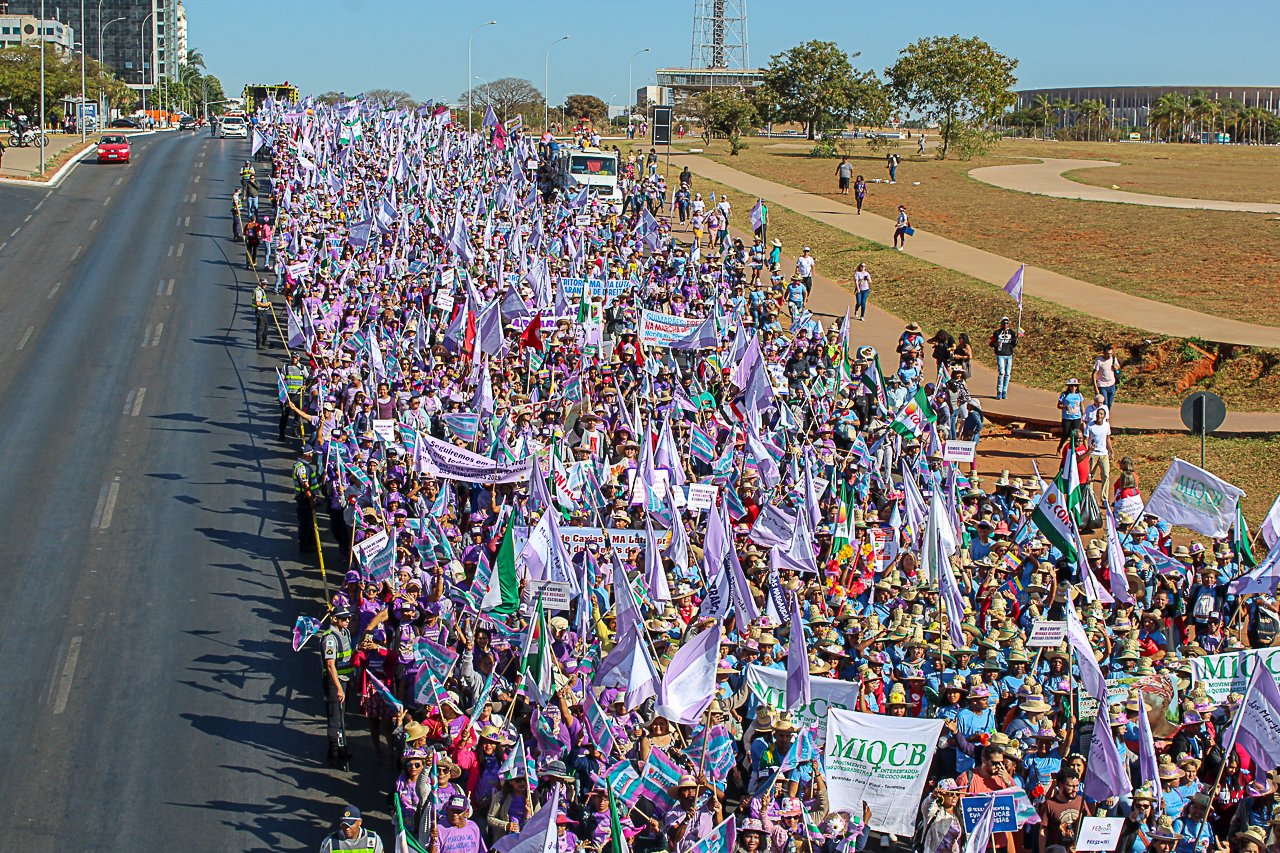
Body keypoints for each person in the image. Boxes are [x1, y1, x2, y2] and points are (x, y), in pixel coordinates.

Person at [321, 608, 355, 770]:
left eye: (348, 618)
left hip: (346, 679)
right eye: (343, 619)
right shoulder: (330, 638)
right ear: (334, 619)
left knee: (342, 716)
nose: (347, 621)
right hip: (336, 682)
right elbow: (330, 665)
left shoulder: (345, 632)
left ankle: (342, 747)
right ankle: (333, 751)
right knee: (336, 718)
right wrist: (338, 688)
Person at [319, 806, 384, 853]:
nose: (347, 828)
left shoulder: (373, 840)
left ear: (360, 822)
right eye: (344, 825)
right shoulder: (330, 842)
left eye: (350, 824)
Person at [1085, 407, 1114, 496]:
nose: (1099, 415)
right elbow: (1086, 439)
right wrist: (1088, 452)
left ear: (1104, 416)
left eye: (1101, 414)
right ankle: (1090, 496)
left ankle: (1104, 497)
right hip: (1093, 454)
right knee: (1090, 475)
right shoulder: (1090, 425)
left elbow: (1107, 438)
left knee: (1106, 475)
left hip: (1103, 454)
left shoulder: (1106, 425)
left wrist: (1111, 451)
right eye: (1098, 413)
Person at [989, 317, 1017, 399]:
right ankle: (999, 391)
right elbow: (991, 343)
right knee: (1001, 372)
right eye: (1004, 323)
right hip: (1000, 354)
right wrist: (995, 344)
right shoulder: (997, 333)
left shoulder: (1011, 332)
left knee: (1007, 373)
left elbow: (1014, 344)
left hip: (1009, 354)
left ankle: (1004, 391)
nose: (1005, 325)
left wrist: (1016, 340)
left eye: (1007, 323)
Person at [1057, 378, 1085, 453]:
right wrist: (1064, 407)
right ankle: (1060, 446)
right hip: (1067, 417)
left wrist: (1084, 416)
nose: (1073, 387)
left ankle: (1073, 449)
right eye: (1072, 386)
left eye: (1075, 386)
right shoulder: (1064, 395)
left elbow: (1081, 406)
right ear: (1069, 386)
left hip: (1077, 417)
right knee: (1066, 434)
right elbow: (1058, 405)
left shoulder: (1079, 395)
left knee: (1075, 434)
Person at [1094, 344, 1120, 410]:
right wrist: (1095, 386)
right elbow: (1094, 374)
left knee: (1110, 404)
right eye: (1107, 354)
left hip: (1112, 384)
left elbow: (1118, 367)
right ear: (1103, 353)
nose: (1109, 355)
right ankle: (1103, 417)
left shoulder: (1113, 359)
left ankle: (1106, 416)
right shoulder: (1099, 361)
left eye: (1110, 354)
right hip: (1102, 385)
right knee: (1104, 403)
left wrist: (1115, 367)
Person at [254, 280, 272, 350]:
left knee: (266, 325)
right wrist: (266, 304)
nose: (266, 285)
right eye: (264, 284)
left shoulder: (261, 290)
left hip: (263, 310)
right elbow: (258, 303)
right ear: (260, 283)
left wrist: (267, 303)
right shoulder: (258, 291)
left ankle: (264, 341)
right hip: (260, 311)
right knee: (260, 328)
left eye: (266, 284)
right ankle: (259, 344)